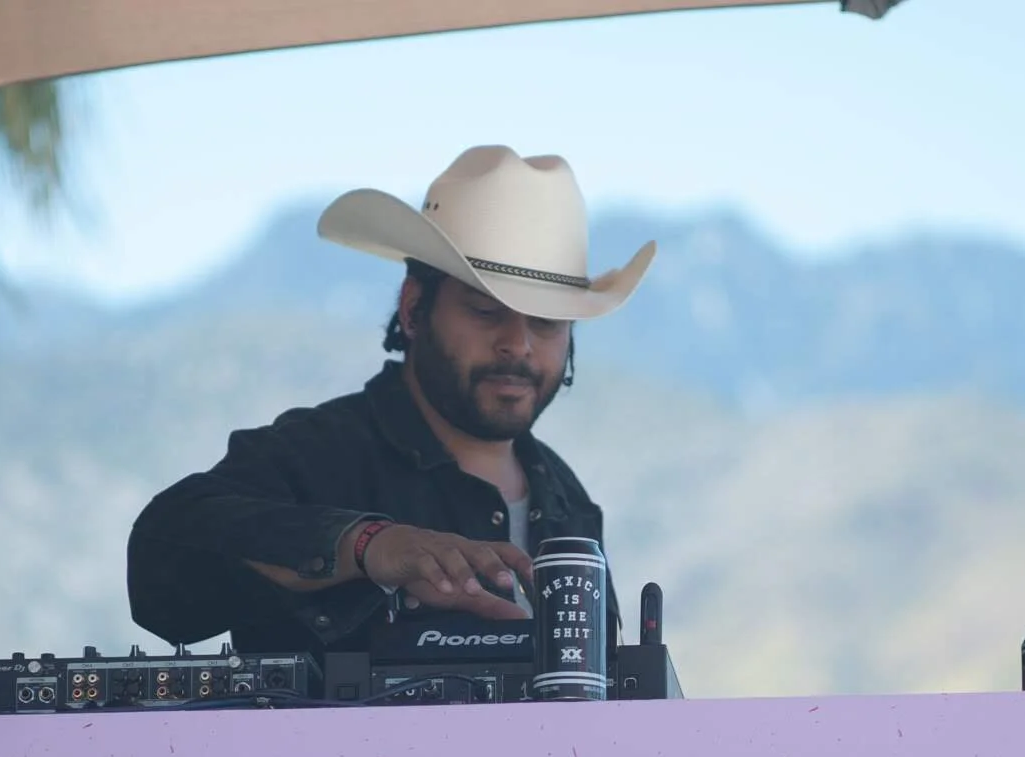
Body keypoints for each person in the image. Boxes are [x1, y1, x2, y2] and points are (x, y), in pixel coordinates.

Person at [127, 146, 654, 656]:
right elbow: (160, 557)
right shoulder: (320, 451)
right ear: (413, 308)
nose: (517, 344)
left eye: (545, 322)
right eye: (485, 311)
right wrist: (367, 545)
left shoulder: (570, 503)